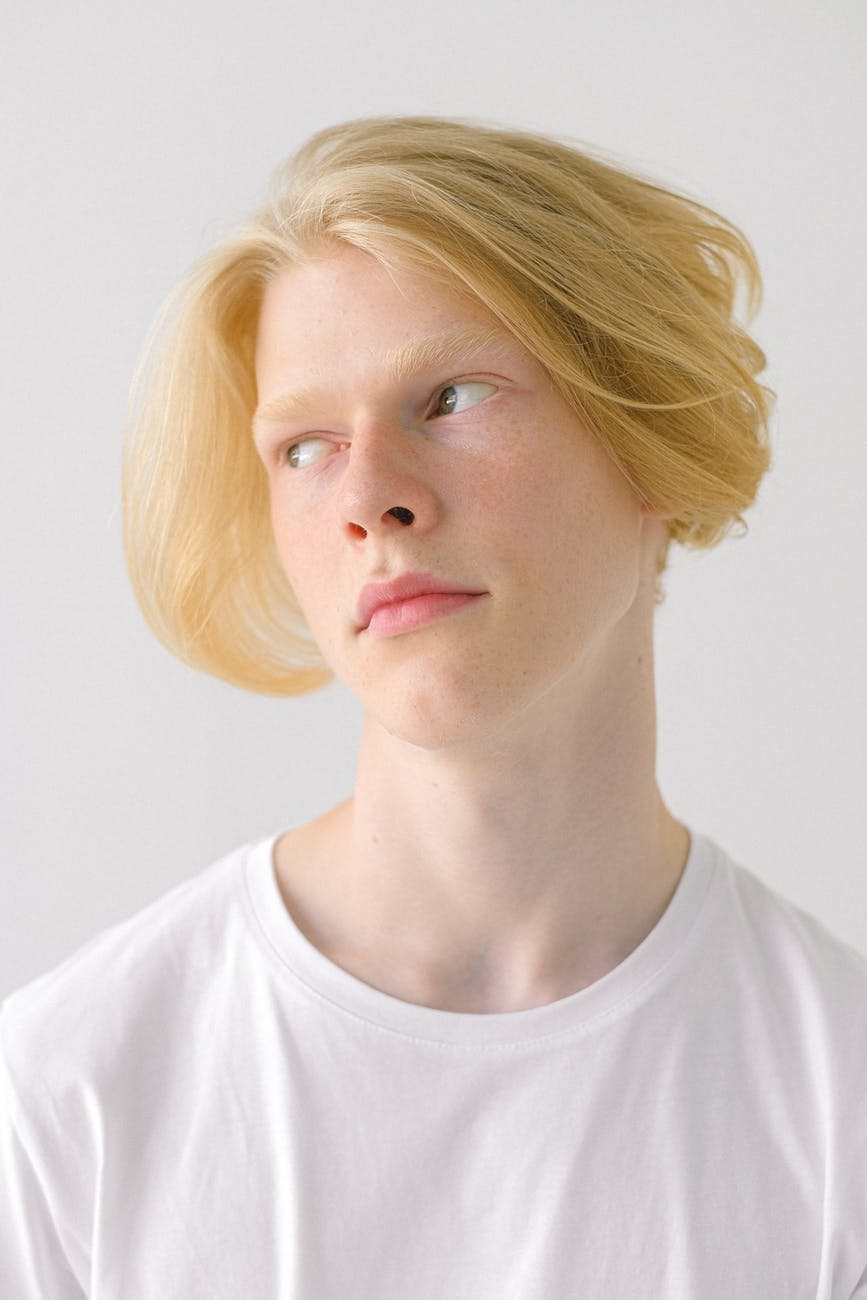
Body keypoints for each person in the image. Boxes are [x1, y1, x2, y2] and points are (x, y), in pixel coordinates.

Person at [1, 116, 864, 1298]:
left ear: (652, 431)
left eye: (451, 397)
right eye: (305, 446)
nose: (370, 499)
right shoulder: (65, 1098)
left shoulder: (839, 1100)